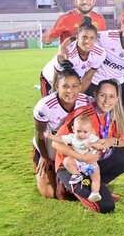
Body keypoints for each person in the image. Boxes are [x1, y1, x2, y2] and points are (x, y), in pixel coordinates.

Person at [53, 79, 124, 213]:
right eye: (102, 95)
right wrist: (81, 157)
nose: (106, 100)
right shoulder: (82, 115)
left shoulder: (115, 116)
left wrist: (112, 141)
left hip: (93, 165)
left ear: (117, 99)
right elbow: (56, 143)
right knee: (106, 206)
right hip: (70, 165)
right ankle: (65, 185)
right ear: (95, 95)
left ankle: (98, 185)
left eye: (111, 96)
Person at [32, 68, 90, 199]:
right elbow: (40, 134)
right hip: (49, 144)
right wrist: (44, 156)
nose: (70, 91)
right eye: (65, 86)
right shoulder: (44, 106)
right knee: (50, 193)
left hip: (72, 143)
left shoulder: (86, 101)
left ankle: (71, 173)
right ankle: (46, 165)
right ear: (57, 86)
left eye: (75, 86)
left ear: (80, 86)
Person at [89, 10, 124, 125]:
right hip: (96, 81)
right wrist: (64, 47)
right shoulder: (107, 37)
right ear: (122, 26)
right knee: (93, 116)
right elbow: (83, 37)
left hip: (118, 83)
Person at [39, 16, 105, 96]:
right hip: (50, 79)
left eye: (92, 38)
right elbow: (56, 77)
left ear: (96, 39)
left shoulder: (100, 54)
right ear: (77, 37)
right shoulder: (67, 54)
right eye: (84, 37)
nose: (88, 41)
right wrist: (54, 96)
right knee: (51, 105)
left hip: (70, 81)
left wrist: (77, 96)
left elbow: (87, 78)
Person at [44, 115, 104, 202]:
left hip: (90, 165)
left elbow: (100, 145)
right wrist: (51, 136)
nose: (81, 134)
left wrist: (92, 145)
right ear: (73, 129)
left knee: (96, 176)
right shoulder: (72, 137)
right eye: (78, 131)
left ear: (91, 131)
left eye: (85, 132)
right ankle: (77, 175)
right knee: (67, 161)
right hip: (77, 163)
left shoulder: (92, 138)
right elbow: (60, 139)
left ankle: (95, 193)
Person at [42, 0, 106, 44]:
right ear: (75, 1)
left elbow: (102, 41)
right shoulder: (65, 18)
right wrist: (46, 36)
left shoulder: (100, 19)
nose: (85, 2)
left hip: (93, 56)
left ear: (94, 1)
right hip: (70, 56)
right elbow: (47, 40)